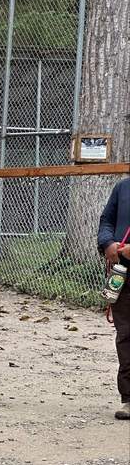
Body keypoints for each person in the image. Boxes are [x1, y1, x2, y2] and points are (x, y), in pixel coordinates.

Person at [98, 177, 130, 420]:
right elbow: (106, 220)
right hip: (124, 274)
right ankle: (128, 398)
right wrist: (107, 243)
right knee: (126, 334)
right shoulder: (123, 187)